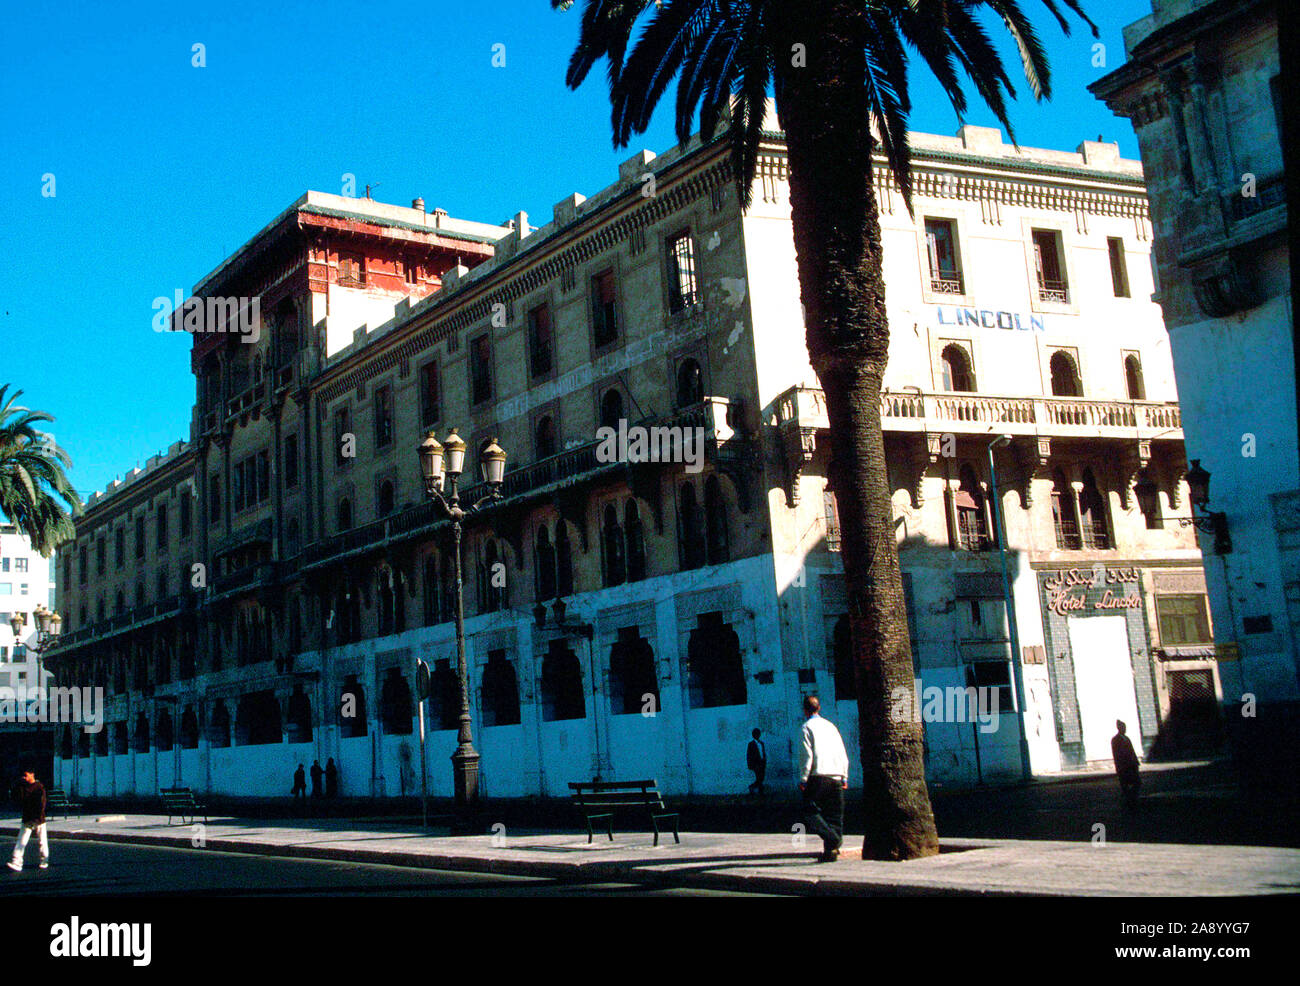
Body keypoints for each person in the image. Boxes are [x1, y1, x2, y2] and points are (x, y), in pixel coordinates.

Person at [798, 695, 849, 862]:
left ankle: (832, 839)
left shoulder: (806, 727)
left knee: (809, 811)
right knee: (834, 815)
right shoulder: (831, 726)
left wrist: (804, 778)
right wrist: (844, 776)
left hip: (818, 776)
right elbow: (842, 751)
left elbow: (807, 756)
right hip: (836, 775)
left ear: (805, 710)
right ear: (819, 708)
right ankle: (831, 851)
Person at [7, 768, 49, 872]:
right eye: (23, 775)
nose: (24, 777)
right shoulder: (22, 786)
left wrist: (38, 817)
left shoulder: (39, 787)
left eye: (26, 775)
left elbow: (42, 804)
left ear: (32, 774)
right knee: (21, 841)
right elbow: (17, 798)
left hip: (38, 819)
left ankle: (44, 859)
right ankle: (16, 862)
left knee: (42, 841)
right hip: (27, 818)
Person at [1111, 719, 1141, 812]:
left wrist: (1136, 762)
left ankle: (1129, 799)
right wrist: (1120, 766)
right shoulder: (1115, 740)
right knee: (1126, 785)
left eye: (1125, 727)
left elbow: (1132, 751)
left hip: (1131, 765)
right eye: (1123, 727)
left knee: (1137, 783)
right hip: (1124, 766)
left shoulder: (1126, 738)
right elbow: (1117, 755)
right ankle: (1127, 802)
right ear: (1119, 728)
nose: (1125, 729)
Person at [746, 728, 767, 795]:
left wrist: (764, 760)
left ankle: (755, 788)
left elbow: (763, 752)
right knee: (759, 777)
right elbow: (749, 755)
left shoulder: (761, 743)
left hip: (762, 763)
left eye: (758, 734)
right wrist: (750, 765)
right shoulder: (751, 744)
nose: (757, 735)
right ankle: (759, 790)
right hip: (756, 764)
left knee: (761, 778)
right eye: (756, 734)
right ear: (753, 735)